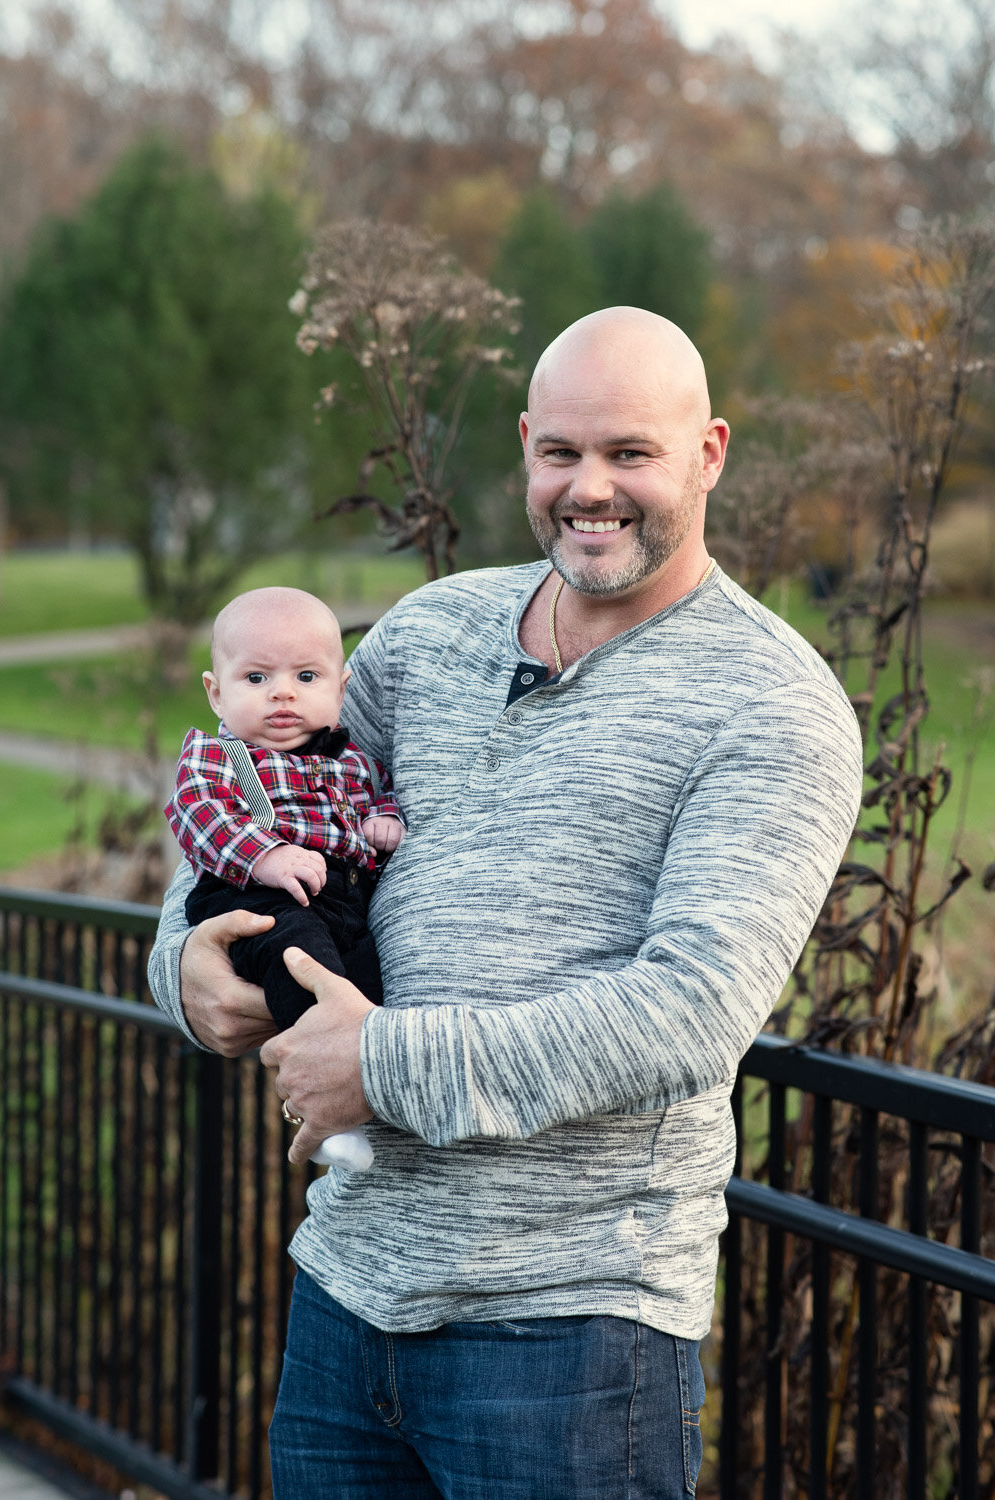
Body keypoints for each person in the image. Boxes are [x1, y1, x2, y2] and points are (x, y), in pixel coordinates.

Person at [148, 307, 864, 1500]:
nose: (590, 489)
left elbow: (686, 1012)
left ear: (708, 454)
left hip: (569, 1345)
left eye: (629, 453)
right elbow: (246, 818)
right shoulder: (425, 635)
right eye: (561, 453)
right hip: (345, 1293)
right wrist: (184, 968)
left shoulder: (770, 707)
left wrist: (382, 1067)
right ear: (525, 446)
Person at [164, 586, 405, 1031]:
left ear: (341, 689)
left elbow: (382, 790)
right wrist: (266, 856)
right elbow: (198, 813)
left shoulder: (353, 763)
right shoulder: (218, 757)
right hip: (261, 900)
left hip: (345, 906)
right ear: (216, 694)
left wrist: (382, 817)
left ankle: (362, 1054)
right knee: (301, 961)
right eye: (257, 678)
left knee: (370, 983)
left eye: (307, 677)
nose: (283, 694)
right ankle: (322, 1042)